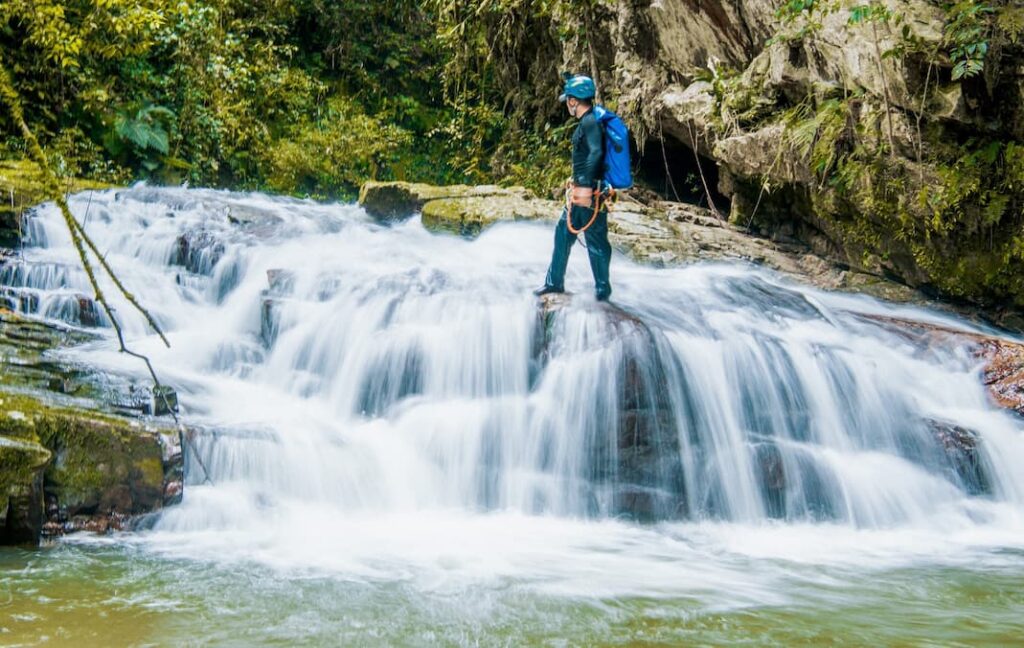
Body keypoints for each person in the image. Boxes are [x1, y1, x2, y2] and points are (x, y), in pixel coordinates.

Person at [533, 74, 612, 302]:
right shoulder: (594, 120)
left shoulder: (589, 122)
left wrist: (584, 186)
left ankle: (554, 283)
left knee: (563, 233)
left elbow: (596, 152)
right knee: (596, 240)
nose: (567, 104)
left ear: (573, 101)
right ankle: (602, 290)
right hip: (595, 192)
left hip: (587, 192)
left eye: (568, 99)